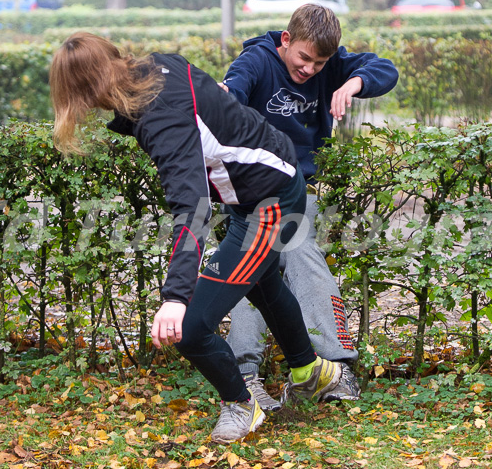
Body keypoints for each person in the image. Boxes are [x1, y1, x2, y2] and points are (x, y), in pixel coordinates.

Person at [48, 32, 343, 444]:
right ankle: (313, 371)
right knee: (262, 283)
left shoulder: (160, 118)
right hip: (260, 188)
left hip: (271, 201)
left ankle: (242, 405)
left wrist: (174, 298)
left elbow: (193, 208)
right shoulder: (156, 65)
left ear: (82, 91)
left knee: (189, 326)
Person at [221, 4, 399, 409]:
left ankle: (290, 371)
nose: (310, 69)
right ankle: (298, 371)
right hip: (254, 192)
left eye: (320, 63)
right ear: (286, 40)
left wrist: (352, 83)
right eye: (304, 58)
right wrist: (224, 97)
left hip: (301, 189)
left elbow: (384, 69)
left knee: (273, 258)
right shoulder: (257, 61)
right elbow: (232, 94)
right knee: (272, 257)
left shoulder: (330, 65)